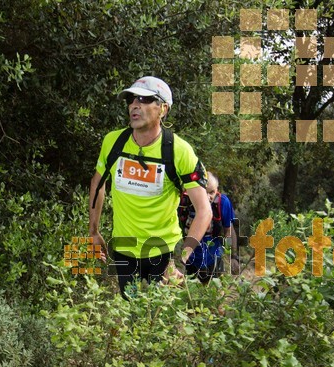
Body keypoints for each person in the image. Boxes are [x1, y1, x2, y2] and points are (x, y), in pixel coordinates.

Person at [88, 76, 212, 296]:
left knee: (162, 321)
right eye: (132, 99)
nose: (135, 105)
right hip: (124, 248)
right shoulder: (113, 142)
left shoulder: (179, 151)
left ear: (163, 109)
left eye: (145, 100)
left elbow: (204, 211)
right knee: (132, 316)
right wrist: (94, 231)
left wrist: (181, 260)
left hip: (164, 253)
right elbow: (98, 185)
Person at [180, 173, 236, 283]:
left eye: (212, 192)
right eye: (204, 192)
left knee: (216, 292)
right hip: (190, 258)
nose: (207, 197)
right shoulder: (184, 202)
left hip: (214, 257)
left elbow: (228, 230)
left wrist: (233, 256)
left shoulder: (222, 203)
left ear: (217, 190)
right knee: (191, 293)